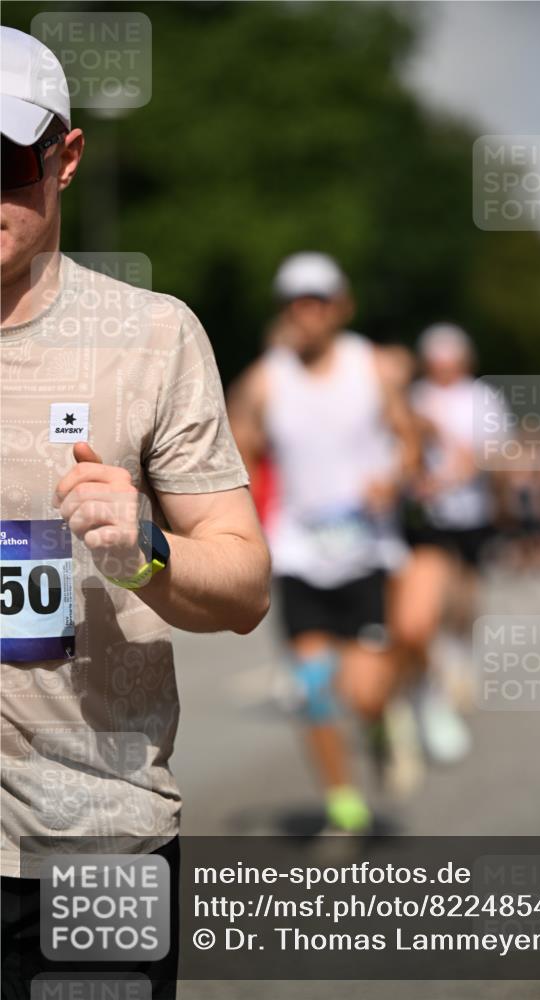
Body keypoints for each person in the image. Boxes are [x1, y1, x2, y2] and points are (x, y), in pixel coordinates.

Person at [0, 27, 271, 998]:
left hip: (97, 842)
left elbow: (242, 586)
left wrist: (148, 549)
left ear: (65, 157)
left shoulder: (152, 339)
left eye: (6, 160)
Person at [229, 251, 418, 831]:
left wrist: (394, 478)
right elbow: (233, 456)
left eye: (316, 300)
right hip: (300, 554)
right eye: (294, 301)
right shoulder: (264, 379)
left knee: (363, 693)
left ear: (341, 306)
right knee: (312, 690)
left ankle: (381, 721)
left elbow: (409, 441)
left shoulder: (373, 367)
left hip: (365, 553)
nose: (305, 312)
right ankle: (345, 803)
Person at [392, 324, 503, 759]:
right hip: (426, 516)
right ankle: (436, 663)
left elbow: (492, 450)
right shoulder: (416, 397)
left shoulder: (482, 398)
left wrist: (454, 476)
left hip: (470, 510)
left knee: (465, 589)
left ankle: (458, 648)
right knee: (429, 597)